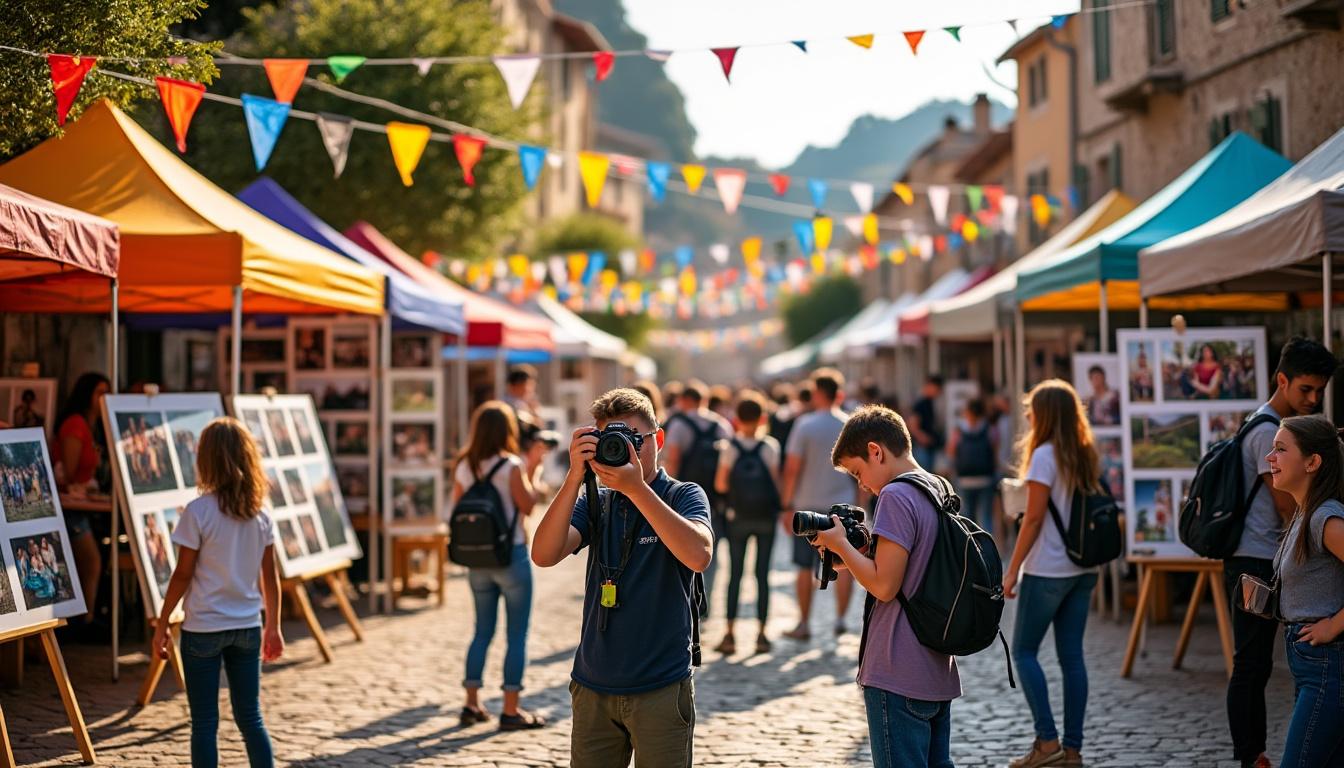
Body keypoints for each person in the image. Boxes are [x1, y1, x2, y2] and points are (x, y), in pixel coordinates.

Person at [531, 388, 712, 767]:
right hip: (593, 685)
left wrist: (637, 488)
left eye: (635, 440)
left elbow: (699, 555)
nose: (625, 450)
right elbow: (544, 554)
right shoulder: (596, 501)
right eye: (611, 441)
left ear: (658, 440)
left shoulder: (682, 495)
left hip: (661, 685)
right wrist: (574, 476)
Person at [821, 404, 960, 767]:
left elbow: (885, 586)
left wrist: (841, 545)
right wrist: (857, 554)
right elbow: (916, 566)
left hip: (898, 668)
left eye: (858, 471)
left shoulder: (896, 495)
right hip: (936, 665)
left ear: (876, 451)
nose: (861, 484)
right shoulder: (937, 486)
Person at [1224, 336, 1336, 768]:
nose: (1313, 399)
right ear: (1282, 380)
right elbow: (1287, 507)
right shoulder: (1271, 432)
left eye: (1319, 391)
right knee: (1251, 663)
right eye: (1306, 389)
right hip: (1258, 560)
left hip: (1320, 653)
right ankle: (1251, 754)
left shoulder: (1322, 517)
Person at [152, 417, 282, 768]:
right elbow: (270, 578)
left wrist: (163, 623)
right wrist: (273, 626)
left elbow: (182, 574)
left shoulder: (198, 512)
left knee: (205, 723)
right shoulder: (261, 514)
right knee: (251, 718)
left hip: (204, 627)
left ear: (206, 459)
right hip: (247, 627)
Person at [1003, 380, 1100, 768]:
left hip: (1047, 569)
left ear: (1044, 414)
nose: (1028, 414)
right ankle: (1072, 751)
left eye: (1032, 408)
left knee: (1024, 651)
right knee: (1072, 657)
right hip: (1083, 567)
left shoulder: (1044, 456)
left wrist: (1012, 570)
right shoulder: (1085, 452)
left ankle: (1046, 743)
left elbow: (1034, 519)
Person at [451, 401, 543, 730]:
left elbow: (456, 508)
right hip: (511, 555)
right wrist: (534, 468)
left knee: (481, 631)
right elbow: (528, 506)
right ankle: (510, 710)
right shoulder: (511, 465)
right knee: (517, 634)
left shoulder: (464, 465)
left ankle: (471, 703)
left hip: (477, 559)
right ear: (507, 431)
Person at [1264, 415, 1344, 768]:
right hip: (1311, 664)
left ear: (1312, 462)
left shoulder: (1324, 517)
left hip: (1328, 664)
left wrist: (1334, 625)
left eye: (1281, 449)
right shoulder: (1304, 512)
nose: (1270, 457)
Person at [780, 368, 858, 640]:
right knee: (846, 563)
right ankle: (841, 619)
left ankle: (804, 623)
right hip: (843, 505)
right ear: (839, 394)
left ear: (816, 393)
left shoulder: (805, 425)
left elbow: (792, 467)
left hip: (808, 505)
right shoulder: (849, 424)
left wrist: (787, 504)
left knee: (804, 566)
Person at [713, 390, 781, 656]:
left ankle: (729, 634)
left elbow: (720, 484)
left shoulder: (730, 447)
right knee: (763, 575)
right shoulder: (770, 447)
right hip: (765, 517)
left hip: (738, 517)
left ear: (737, 419)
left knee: (735, 575)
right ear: (762, 417)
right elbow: (777, 484)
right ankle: (762, 635)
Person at [663, 380, 731, 616]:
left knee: (680, 549)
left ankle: (684, 601)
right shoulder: (721, 425)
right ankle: (705, 603)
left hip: (683, 498)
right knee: (711, 551)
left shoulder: (679, 425)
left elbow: (673, 460)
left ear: (684, 400)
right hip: (714, 499)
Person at [55, 372, 110, 630]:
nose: (105, 398)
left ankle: (86, 616)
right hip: (69, 505)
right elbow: (69, 471)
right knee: (90, 560)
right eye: (100, 392)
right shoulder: (76, 424)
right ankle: (84, 621)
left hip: (84, 503)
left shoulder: (93, 425)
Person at [946, 398, 997, 535]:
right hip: (985, 478)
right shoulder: (990, 429)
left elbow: (950, 451)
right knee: (986, 517)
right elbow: (995, 452)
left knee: (968, 518)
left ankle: (970, 545)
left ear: (967, 412)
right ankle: (987, 545)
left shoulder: (959, 430)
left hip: (965, 479)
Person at [908, 375, 945, 470]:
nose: (938, 392)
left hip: (931, 446)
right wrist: (922, 437)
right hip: (922, 448)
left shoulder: (932, 403)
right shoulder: (921, 403)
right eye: (937, 389)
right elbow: (912, 425)